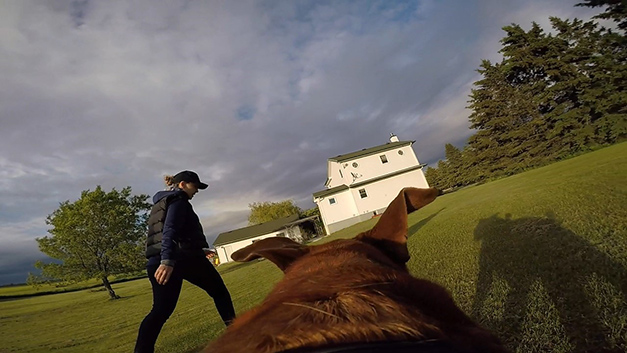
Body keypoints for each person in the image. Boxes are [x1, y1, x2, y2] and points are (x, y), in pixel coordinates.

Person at [134, 170, 236, 353]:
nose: (196, 190)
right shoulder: (179, 200)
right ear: (182, 184)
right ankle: (238, 333)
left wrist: (198, 248)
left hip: (165, 259)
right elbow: (170, 230)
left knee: (160, 311)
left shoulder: (162, 202)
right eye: (195, 186)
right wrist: (167, 260)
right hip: (179, 260)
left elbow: (174, 233)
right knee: (220, 293)